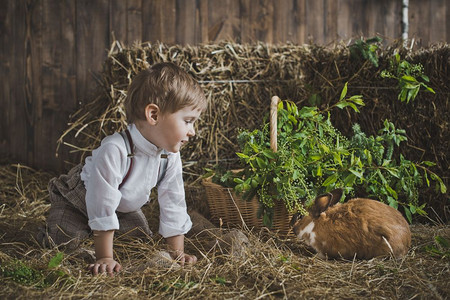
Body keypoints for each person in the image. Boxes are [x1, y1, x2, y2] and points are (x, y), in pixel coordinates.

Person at [40, 62, 207, 276]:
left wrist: (177, 253)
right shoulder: (115, 149)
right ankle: (65, 233)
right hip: (77, 203)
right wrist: (105, 257)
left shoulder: (169, 156)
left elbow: (173, 202)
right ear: (153, 115)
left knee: (139, 244)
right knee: (65, 240)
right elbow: (102, 201)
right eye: (188, 121)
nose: (192, 131)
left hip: (122, 210)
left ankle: (96, 237)